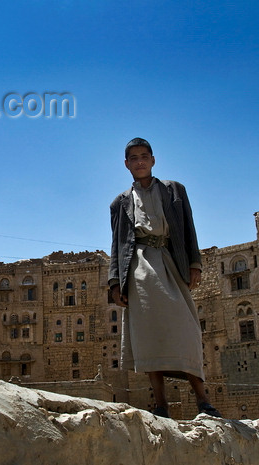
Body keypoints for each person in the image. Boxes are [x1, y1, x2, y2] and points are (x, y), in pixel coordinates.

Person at [108, 137, 221, 419]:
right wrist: (114, 283)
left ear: (153, 160)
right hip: (139, 269)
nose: (140, 161)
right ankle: (160, 405)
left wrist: (195, 263)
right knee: (149, 337)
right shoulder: (120, 203)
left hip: (170, 263)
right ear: (126, 164)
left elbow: (188, 229)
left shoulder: (174, 191)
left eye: (144, 156)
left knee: (188, 331)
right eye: (133, 158)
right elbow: (117, 244)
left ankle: (203, 400)